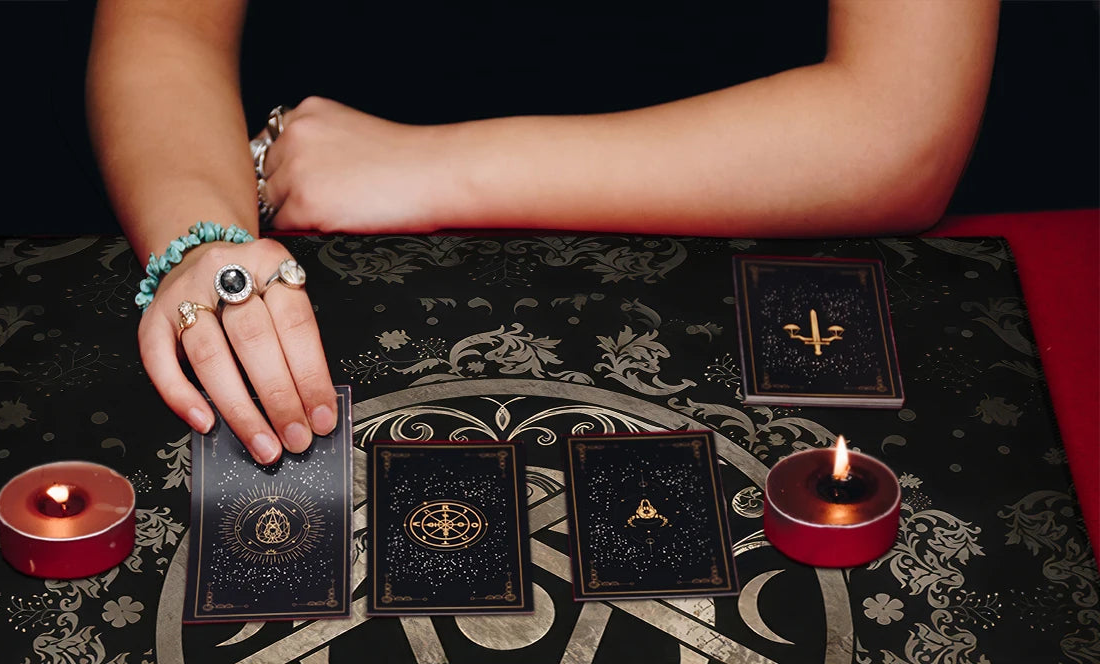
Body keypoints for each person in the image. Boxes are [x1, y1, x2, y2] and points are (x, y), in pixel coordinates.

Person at [86, 0, 999, 465]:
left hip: (758, 282)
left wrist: (438, 166)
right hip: (338, 285)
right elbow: (166, 28)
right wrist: (202, 243)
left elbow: (901, 127)